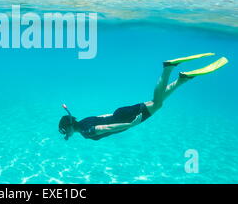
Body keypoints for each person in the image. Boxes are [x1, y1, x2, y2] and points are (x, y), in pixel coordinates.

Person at [58, 53, 228, 141]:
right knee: (157, 102)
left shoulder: (86, 133)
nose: (66, 134)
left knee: (157, 103)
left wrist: (130, 124)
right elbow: (103, 117)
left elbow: (106, 128)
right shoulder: (84, 121)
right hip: (119, 113)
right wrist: (122, 118)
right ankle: (183, 79)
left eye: (65, 131)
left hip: (126, 118)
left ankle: (168, 68)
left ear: (69, 127)